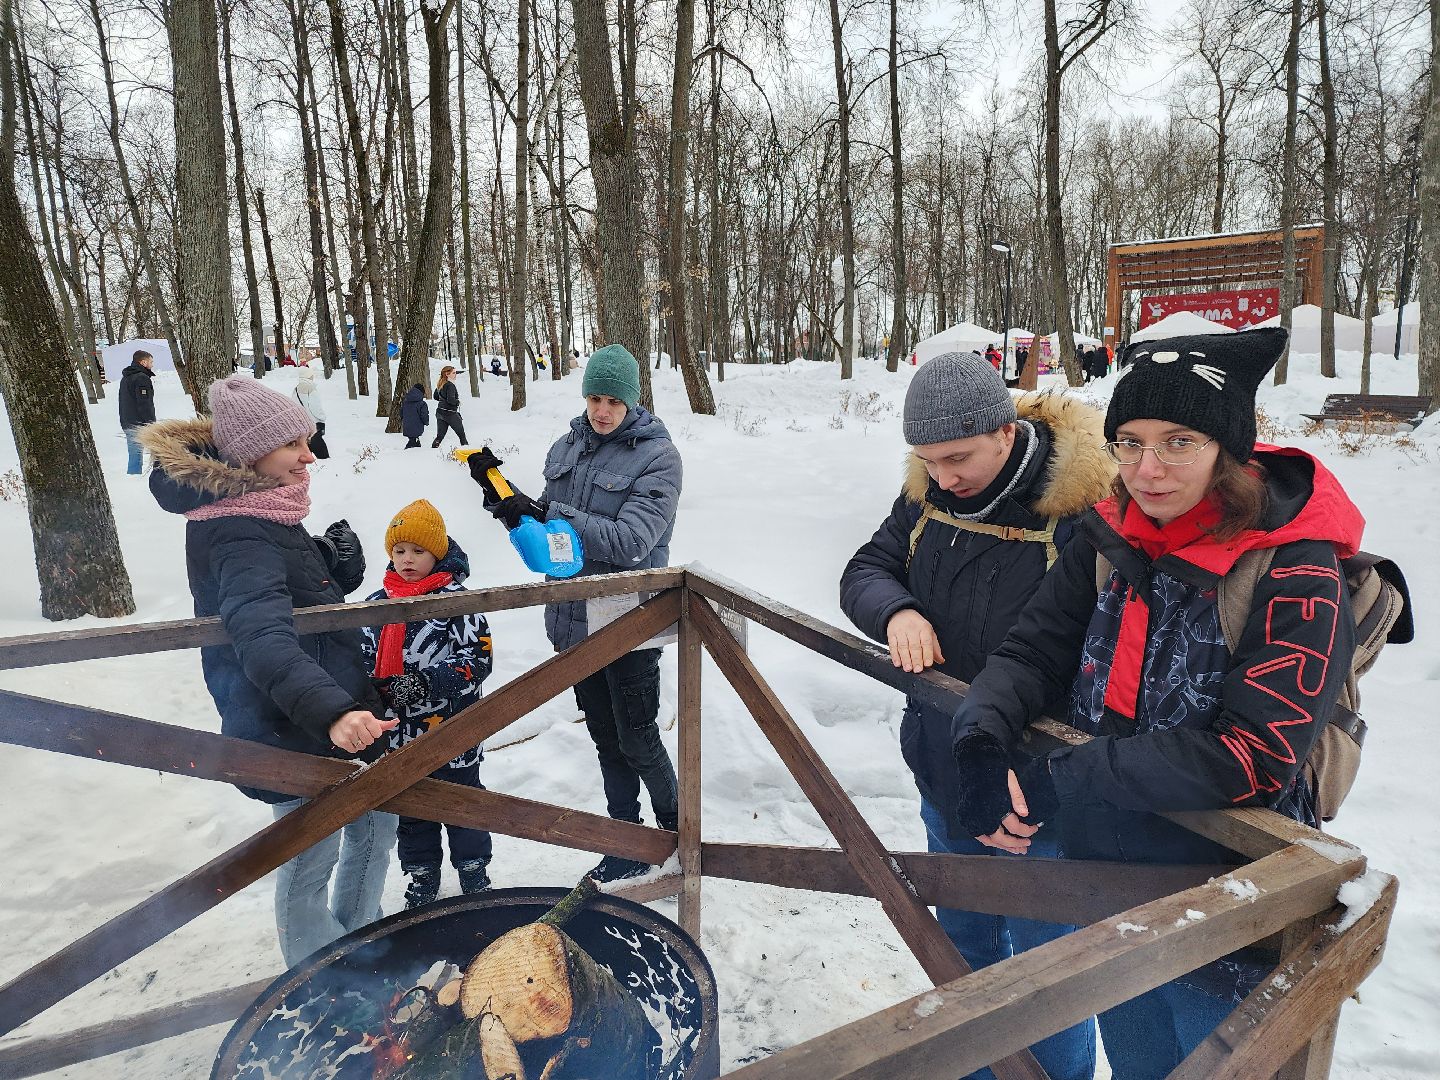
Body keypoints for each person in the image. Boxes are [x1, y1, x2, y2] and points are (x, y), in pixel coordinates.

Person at [948, 328, 1361, 1079]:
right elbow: (1032, 651)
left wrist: (1060, 779)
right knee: (1136, 1062)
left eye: (1179, 442)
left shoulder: (1298, 569)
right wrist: (980, 736)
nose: (1147, 468)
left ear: (1229, 448)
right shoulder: (1108, 535)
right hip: (1109, 883)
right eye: (1129, 442)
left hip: (1235, 902)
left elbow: (1256, 753)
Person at [839, 350, 1112, 1080]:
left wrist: (1051, 776)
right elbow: (865, 569)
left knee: (1045, 976)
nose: (944, 476)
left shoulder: (1082, 516)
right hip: (944, 766)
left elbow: (1096, 658)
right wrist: (893, 610)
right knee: (959, 942)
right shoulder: (926, 497)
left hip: (1036, 796)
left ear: (1005, 429)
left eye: (957, 458)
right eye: (927, 460)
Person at [139, 375, 397, 968]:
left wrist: (332, 564)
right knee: (312, 854)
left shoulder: (261, 509)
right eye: (294, 445)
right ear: (252, 453)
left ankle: (364, 950)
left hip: (322, 703)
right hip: (290, 720)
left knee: (374, 831)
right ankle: (318, 978)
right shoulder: (238, 526)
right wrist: (332, 711)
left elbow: (282, 592)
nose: (310, 456)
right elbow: (260, 635)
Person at [467, 344, 682, 883]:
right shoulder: (568, 448)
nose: (602, 410)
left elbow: (633, 541)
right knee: (605, 737)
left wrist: (546, 511)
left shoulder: (658, 457)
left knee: (638, 737)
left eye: (613, 400)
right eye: (594, 397)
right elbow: (555, 542)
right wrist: (507, 500)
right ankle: (624, 838)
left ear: (632, 402)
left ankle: (676, 832)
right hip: (572, 620)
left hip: (628, 621)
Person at [361, 499, 494, 908]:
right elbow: (362, 655)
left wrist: (420, 684)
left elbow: (478, 659)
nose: (407, 559)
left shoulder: (456, 602)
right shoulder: (376, 603)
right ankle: (422, 872)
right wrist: (376, 689)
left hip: (453, 730)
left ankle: (473, 867)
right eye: (399, 551)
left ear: (437, 553)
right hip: (399, 734)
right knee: (411, 806)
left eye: (418, 551)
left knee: (462, 801)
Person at [118, 349, 157, 475]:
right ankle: (134, 479)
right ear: (143, 362)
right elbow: (145, 403)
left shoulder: (126, 378)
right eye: (151, 362)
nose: (152, 365)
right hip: (138, 423)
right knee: (137, 454)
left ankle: (134, 477)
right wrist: (151, 423)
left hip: (127, 420)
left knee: (134, 453)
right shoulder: (141, 378)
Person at [295, 367, 329, 459]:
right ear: (308, 375)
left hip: (301, 421)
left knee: (306, 443)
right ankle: (325, 461)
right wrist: (322, 417)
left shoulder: (296, 389)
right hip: (313, 421)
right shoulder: (311, 387)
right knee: (318, 444)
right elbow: (315, 406)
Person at [431, 365, 469, 448]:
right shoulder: (450, 385)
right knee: (462, 436)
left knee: (440, 436)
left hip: (440, 413)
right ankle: (467, 453)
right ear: (447, 374)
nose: (455, 375)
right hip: (450, 414)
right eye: (454, 373)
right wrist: (457, 402)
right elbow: (451, 400)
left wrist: (443, 401)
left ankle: (432, 451)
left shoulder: (440, 383)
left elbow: (435, 397)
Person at [401, 382, 429, 448]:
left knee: (414, 440)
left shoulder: (406, 402)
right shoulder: (422, 404)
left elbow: (401, 413)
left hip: (407, 425)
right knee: (412, 441)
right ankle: (406, 453)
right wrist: (426, 422)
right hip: (417, 426)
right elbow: (424, 415)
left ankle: (417, 448)